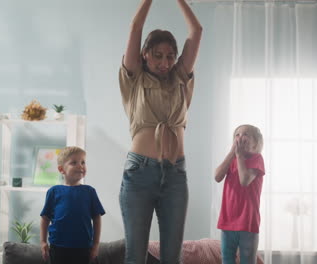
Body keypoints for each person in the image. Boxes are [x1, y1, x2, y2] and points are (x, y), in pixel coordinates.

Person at [118, 0, 202, 263]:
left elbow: (196, 31)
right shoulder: (134, 79)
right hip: (139, 174)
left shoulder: (181, 78)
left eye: (170, 56)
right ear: (145, 54)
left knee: (171, 257)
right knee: (135, 255)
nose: (164, 62)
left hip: (176, 175)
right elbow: (135, 26)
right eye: (157, 55)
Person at [40, 146, 106, 264]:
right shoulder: (54, 191)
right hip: (58, 247)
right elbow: (45, 218)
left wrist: (95, 245)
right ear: (61, 169)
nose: (80, 165)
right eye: (74, 163)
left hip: (83, 247)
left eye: (83, 162)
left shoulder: (90, 191)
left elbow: (97, 218)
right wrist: (43, 242)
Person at [215, 125, 265, 264]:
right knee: (227, 260)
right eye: (237, 134)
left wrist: (239, 156)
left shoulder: (257, 159)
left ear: (256, 142)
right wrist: (232, 154)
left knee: (248, 261)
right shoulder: (232, 160)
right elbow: (217, 176)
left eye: (245, 134)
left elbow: (244, 180)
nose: (240, 137)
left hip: (247, 223)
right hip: (227, 221)